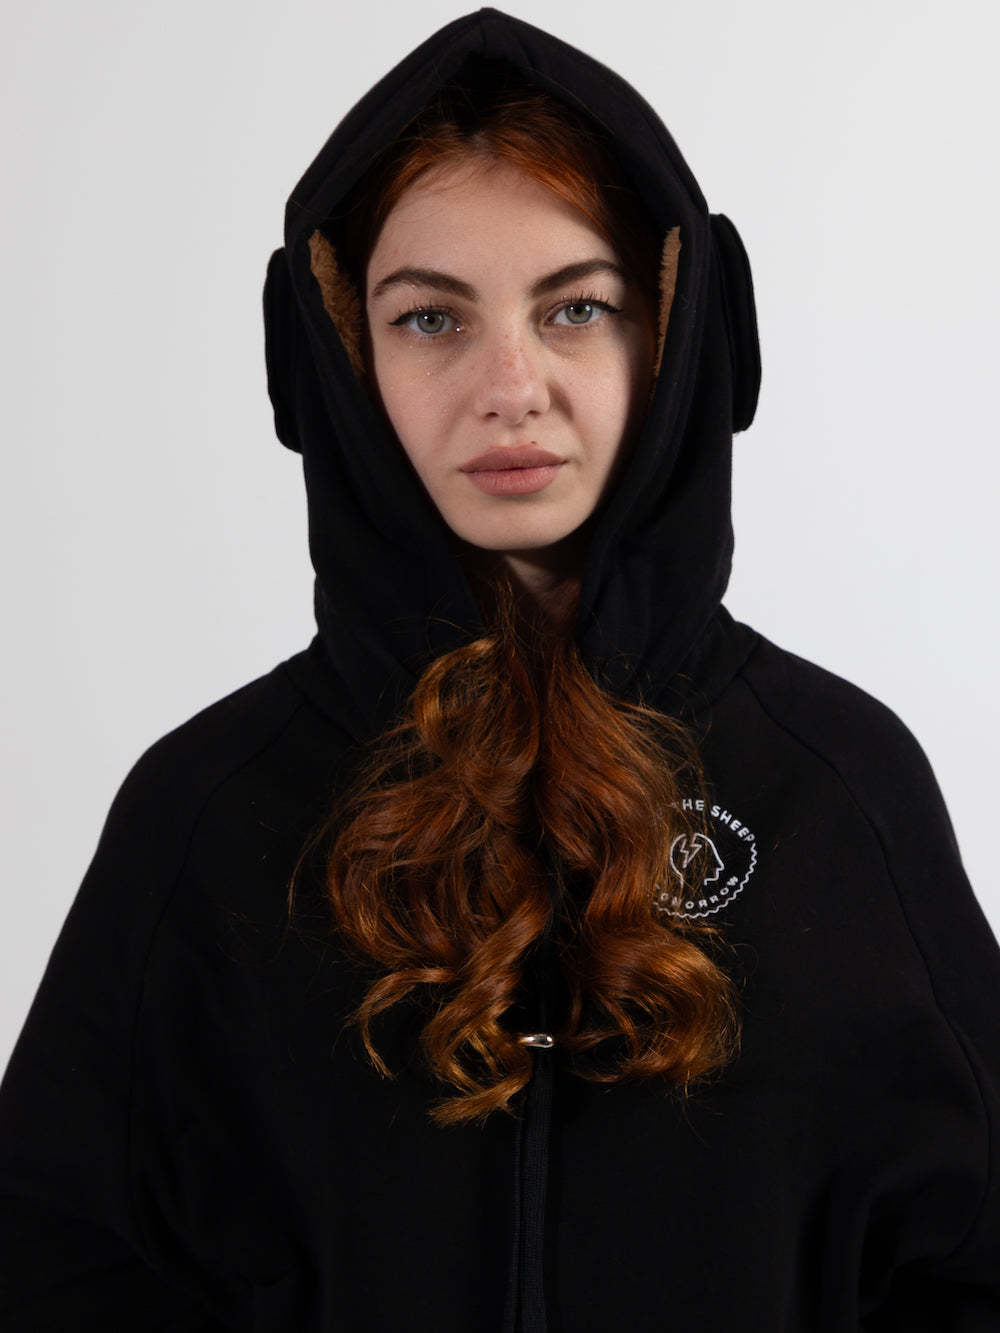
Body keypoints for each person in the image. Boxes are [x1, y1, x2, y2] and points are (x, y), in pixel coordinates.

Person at [1, 9, 998, 1330]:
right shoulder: (208, 810)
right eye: (431, 319)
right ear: (335, 356)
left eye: (576, 307)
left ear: (679, 333)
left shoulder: (839, 783)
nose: (510, 385)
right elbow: (53, 1268)